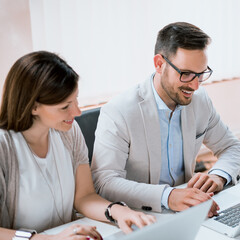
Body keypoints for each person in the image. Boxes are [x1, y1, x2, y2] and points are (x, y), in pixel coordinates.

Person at [91, 22, 240, 216]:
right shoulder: (119, 112)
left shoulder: (200, 100)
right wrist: (168, 196)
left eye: (200, 74)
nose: (195, 86)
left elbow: (233, 147)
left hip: (193, 211)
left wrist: (218, 175)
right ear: (159, 64)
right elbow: (104, 182)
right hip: (142, 215)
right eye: (186, 74)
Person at [0, 51, 155, 240]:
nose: (78, 112)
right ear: (33, 107)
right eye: (65, 106)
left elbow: (84, 197)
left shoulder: (69, 132)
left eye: (76, 100)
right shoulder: (4, 147)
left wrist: (118, 212)